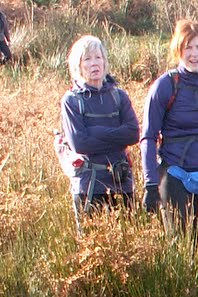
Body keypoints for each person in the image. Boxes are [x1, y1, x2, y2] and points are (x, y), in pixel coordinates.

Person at [141, 19, 198, 239]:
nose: (194, 54)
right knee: (179, 243)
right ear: (178, 51)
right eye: (188, 47)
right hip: (175, 174)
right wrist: (151, 183)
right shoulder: (165, 85)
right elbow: (148, 136)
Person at [59, 35, 140, 221]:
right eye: (87, 59)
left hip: (122, 184)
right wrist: (117, 136)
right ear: (78, 66)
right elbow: (80, 144)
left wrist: (95, 131)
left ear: (104, 61)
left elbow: (133, 133)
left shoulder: (119, 96)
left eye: (98, 57)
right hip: (89, 186)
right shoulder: (71, 101)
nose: (94, 63)